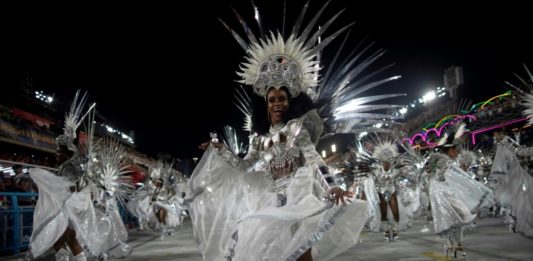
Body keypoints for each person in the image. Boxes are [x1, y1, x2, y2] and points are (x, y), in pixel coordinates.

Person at [185, 0, 413, 258]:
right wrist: (221, 151)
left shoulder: (296, 128)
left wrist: (331, 186)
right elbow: (244, 166)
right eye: (272, 100)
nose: (277, 103)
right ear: (265, 104)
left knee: (302, 253)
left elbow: (314, 159)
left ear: (289, 100)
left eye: (282, 98)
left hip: (298, 195)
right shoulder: (258, 137)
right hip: (268, 199)